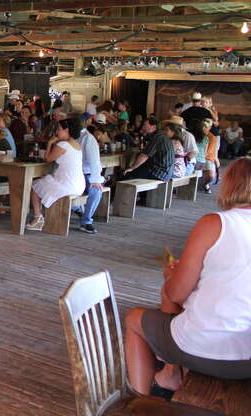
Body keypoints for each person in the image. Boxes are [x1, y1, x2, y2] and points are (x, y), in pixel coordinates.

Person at [124, 158, 251, 397]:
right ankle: (170, 371)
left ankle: (141, 402)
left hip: (204, 348)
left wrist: (173, 274)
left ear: (231, 185)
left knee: (134, 319)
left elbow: (177, 293)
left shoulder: (215, 223)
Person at [26, 118, 85, 231]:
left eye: (59, 129)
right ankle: (41, 215)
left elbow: (48, 159)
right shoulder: (76, 144)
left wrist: (49, 143)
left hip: (67, 186)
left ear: (67, 130)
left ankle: (38, 217)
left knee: (35, 186)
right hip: (79, 185)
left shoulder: (63, 144)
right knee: (44, 180)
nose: (57, 132)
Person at [74, 116, 105, 234]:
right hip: (72, 172)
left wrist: (95, 180)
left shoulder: (88, 138)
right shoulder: (67, 137)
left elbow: (94, 162)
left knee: (96, 190)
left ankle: (86, 221)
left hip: (85, 173)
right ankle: (76, 208)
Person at [191, 118, 219, 193]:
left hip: (206, 158)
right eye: (204, 125)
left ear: (210, 127)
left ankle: (205, 184)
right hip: (196, 156)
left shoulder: (211, 137)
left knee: (211, 175)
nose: (206, 128)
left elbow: (208, 152)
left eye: (208, 126)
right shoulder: (193, 135)